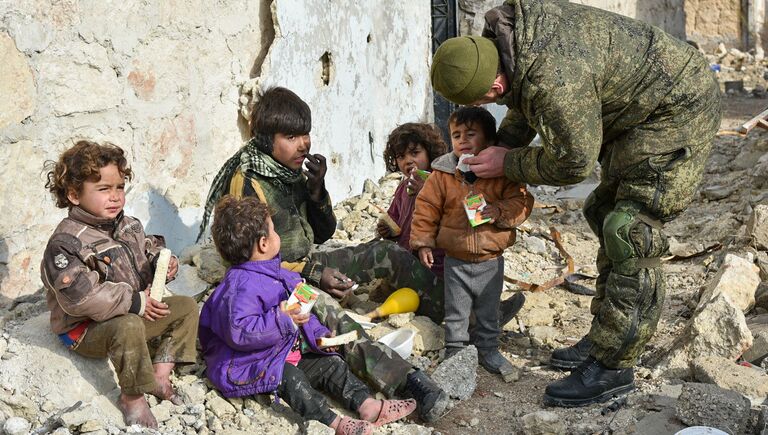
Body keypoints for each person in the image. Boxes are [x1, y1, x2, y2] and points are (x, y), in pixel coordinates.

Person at [430, 0, 722, 406]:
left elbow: (572, 161)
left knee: (630, 230)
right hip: (642, 108)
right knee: (601, 211)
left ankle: (613, 366)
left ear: (494, 87)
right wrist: (502, 146)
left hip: (675, 110)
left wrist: (507, 161)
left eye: (482, 103)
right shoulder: (508, 44)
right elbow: (526, 103)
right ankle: (605, 337)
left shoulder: (553, 75)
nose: (485, 109)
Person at [198, 87, 449, 422]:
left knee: (387, 254)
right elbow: (250, 261)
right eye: (291, 136)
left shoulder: (290, 171)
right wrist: (314, 275)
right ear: (265, 139)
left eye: (306, 133)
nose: (304, 143)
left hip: (308, 263)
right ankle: (408, 381)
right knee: (330, 315)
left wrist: (316, 191)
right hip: (278, 280)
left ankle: (455, 312)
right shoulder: (249, 181)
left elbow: (323, 233)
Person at [199, 196, 417, 435]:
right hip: (252, 363)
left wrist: (319, 335)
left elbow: (303, 314)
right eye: (274, 230)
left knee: (332, 366)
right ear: (263, 243)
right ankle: (333, 422)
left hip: (284, 350)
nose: (277, 235)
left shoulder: (281, 274)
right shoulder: (238, 288)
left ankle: (369, 406)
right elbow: (239, 332)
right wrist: (281, 320)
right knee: (292, 380)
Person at [41, 140, 199, 428]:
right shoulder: (66, 244)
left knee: (186, 306)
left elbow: (148, 249)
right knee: (129, 325)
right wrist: (135, 302)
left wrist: (163, 263)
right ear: (74, 195)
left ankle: (160, 375)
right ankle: (133, 397)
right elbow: (81, 298)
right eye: (103, 189)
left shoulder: (128, 225)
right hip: (86, 330)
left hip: (132, 313)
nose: (115, 197)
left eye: (119, 188)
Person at [410, 106, 533, 377]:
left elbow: (521, 202)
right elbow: (426, 208)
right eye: (456, 135)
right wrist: (423, 242)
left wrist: (499, 211)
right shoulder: (442, 175)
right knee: (456, 311)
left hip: (490, 260)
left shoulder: (502, 174)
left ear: (488, 142)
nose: (462, 140)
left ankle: (488, 349)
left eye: (470, 134)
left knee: (488, 311)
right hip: (456, 260)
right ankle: (455, 350)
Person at [379, 122, 526, 323]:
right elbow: (396, 222)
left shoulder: (445, 181)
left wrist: (430, 191)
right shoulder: (402, 189)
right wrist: (388, 230)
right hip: (412, 264)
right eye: (401, 156)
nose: (408, 161)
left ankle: (486, 315)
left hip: (444, 265)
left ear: (430, 152)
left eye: (415, 153)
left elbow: (466, 217)